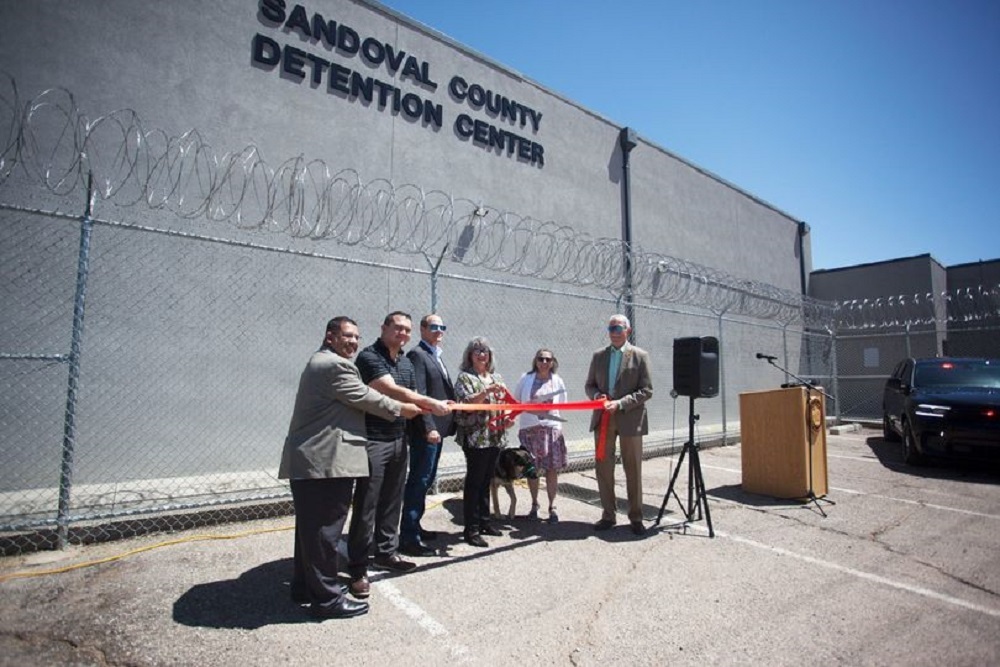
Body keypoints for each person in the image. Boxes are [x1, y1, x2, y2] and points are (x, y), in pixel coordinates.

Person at [279, 316, 422, 620]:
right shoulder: (334, 365)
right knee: (325, 533)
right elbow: (365, 397)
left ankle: (305, 587)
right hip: (325, 462)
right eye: (347, 336)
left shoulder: (322, 361)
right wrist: (401, 409)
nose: (354, 342)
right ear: (329, 336)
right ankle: (328, 600)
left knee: (311, 532)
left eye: (357, 337)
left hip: (313, 462)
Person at [347, 311, 450, 599]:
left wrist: (432, 415)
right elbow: (389, 390)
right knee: (367, 504)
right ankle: (357, 569)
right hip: (372, 440)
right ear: (384, 328)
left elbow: (412, 396)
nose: (402, 334)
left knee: (392, 501)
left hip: (398, 439)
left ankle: (386, 553)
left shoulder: (405, 362)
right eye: (398, 328)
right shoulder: (369, 357)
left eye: (406, 330)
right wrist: (430, 402)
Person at [584, 314, 653, 536]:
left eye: (618, 328)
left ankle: (636, 517)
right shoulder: (598, 356)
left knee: (632, 469)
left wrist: (621, 403)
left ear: (628, 331)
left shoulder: (640, 356)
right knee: (604, 469)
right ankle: (608, 515)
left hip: (630, 419)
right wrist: (597, 396)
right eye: (611, 327)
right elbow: (589, 385)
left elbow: (646, 390)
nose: (614, 331)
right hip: (603, 420)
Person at [400, 314, 456, 557]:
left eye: (442, 327)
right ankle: (408, 537)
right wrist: (429, 426)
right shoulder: (418, 355)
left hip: (438, 431)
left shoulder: (435, 354)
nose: (439, 331)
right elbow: (419, 393)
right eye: (433, 327)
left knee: (426, 478)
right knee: (419, 480)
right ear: (423, 329)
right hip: (427, 432)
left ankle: (415, 526)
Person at [454, 336, 514, 547]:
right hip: (476, 437)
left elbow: (506, 402)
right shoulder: (465, 378)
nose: (482, 355)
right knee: (475, 482)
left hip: (495, 437)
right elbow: (467, 403)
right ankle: (471, 529)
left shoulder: (496, 377)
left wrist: (507, 416)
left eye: (485, 351)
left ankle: (484, 522)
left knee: (487, 480)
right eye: (477, 351)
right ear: (470, 356)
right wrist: (486, 391)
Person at [513, 348, 568, 523]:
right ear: (535, 361)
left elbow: (563, 404)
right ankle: (534, 505)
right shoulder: (526, 379)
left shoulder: (558, 381)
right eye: (540, 359)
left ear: (553, 362)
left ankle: (552, 507)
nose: (544, 362)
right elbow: (516, 401)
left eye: (548, 359)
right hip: (530, 430)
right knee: (532, 470)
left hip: (551, 429)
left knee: (551, 470)